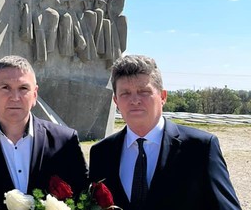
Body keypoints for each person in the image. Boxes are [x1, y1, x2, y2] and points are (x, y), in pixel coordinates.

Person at [89, 55, 241, 210]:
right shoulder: (101, 153)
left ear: (163, 97)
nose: (134, 100)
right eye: (125, 93)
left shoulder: (200, 148)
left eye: (144, 91)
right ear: (116, 101)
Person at [0, 55, 88, 210]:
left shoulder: (65, 142)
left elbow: (85, 200)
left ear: (34, 94)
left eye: (23, 88)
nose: (15, 97)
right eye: (5, 88)